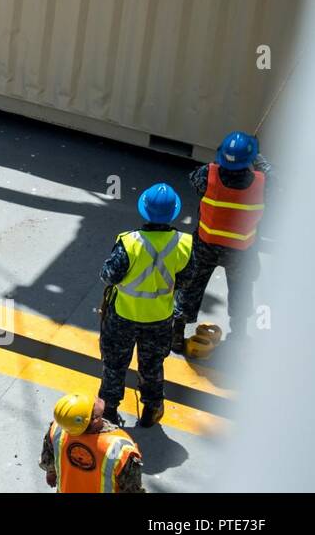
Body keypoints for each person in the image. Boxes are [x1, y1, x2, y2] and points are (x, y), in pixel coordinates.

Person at [97, 183, 196, 428]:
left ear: (144, 210)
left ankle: (109, 412)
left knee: (115, 364)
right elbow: (186, 279)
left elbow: (108, 276)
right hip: (159, 320)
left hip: (123, 317)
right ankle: (151, 409)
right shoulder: (184, 243)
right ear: (173, 213)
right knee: (152, 365)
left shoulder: (129, 243)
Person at [173, 131, 271, 352]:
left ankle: (177, 333)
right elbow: (274, 178)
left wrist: (221, 161)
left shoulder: (207, 175)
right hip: (240, 251)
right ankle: (238, 335)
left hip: (206, 246)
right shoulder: (262, 183)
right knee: (241, 290)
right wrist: (259, 158)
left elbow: (193, 180)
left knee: (190, 287)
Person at [40, 393, 142, 493]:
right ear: (95, 419)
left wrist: (51, 473)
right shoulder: (119, 448)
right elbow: (132, 489)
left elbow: (48, 460)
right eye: (94, 403)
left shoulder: (58, 429)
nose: (96, 398)